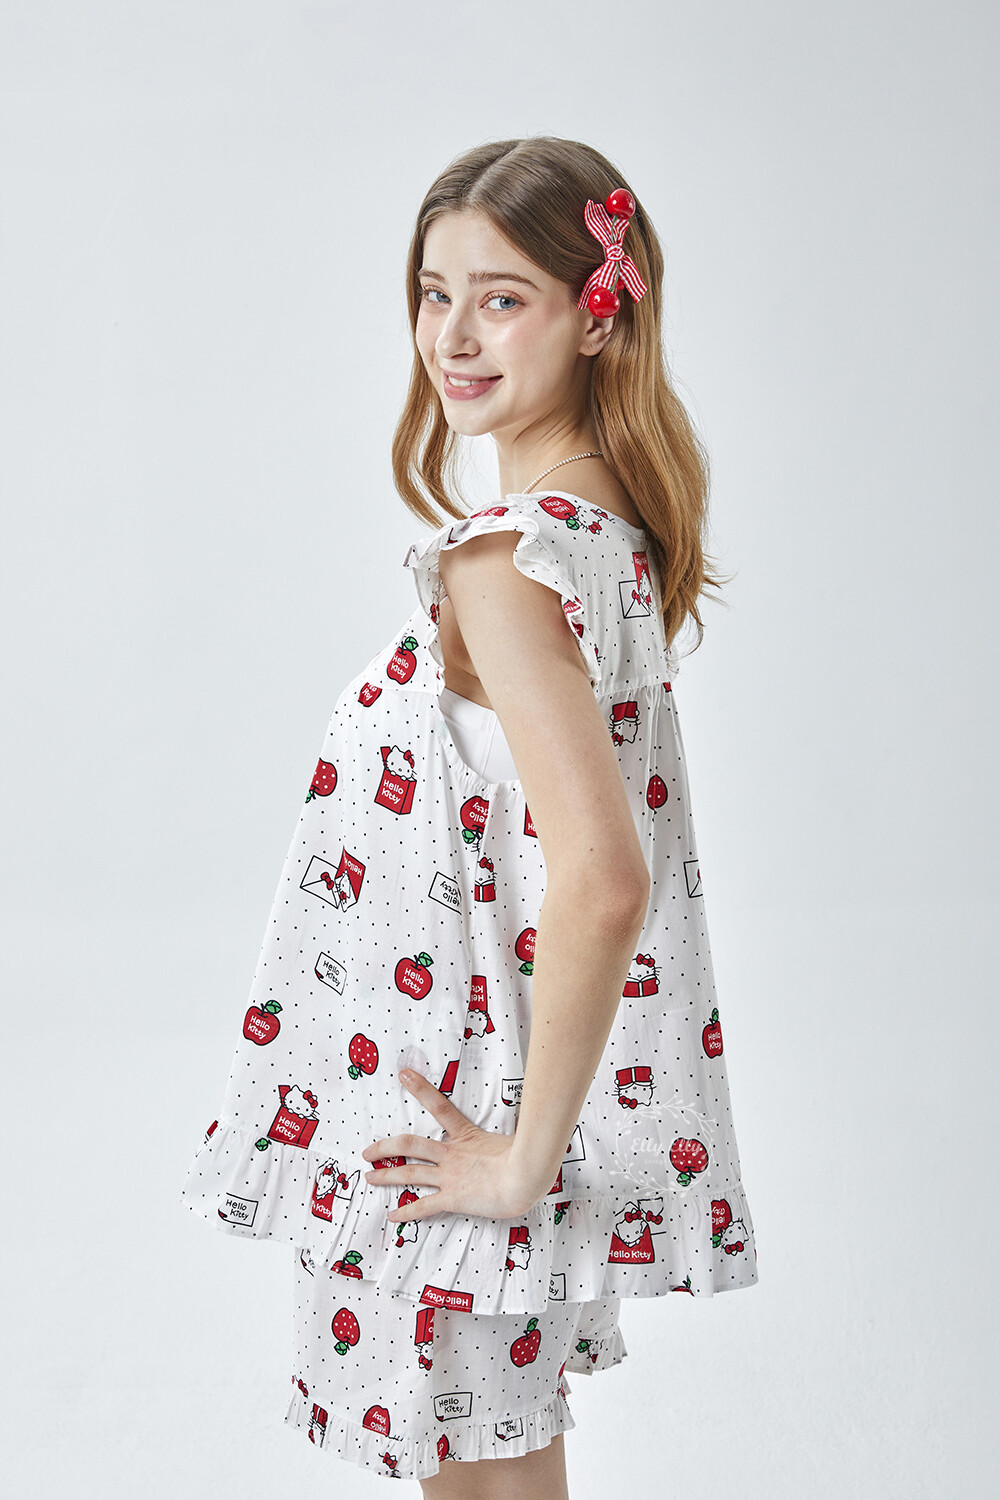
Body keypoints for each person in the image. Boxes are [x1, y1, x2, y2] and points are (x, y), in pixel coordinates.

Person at [179, 135, 759, 1494]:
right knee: (505, 1471)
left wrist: (518, 1165)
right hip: (483, 1091)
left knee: (482, 1477)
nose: (452, 336)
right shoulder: (602, 530)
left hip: (449, 1108)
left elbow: (603, 876)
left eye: (503, 298)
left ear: (597, 315)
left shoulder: (504, 562)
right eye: (434, 293)